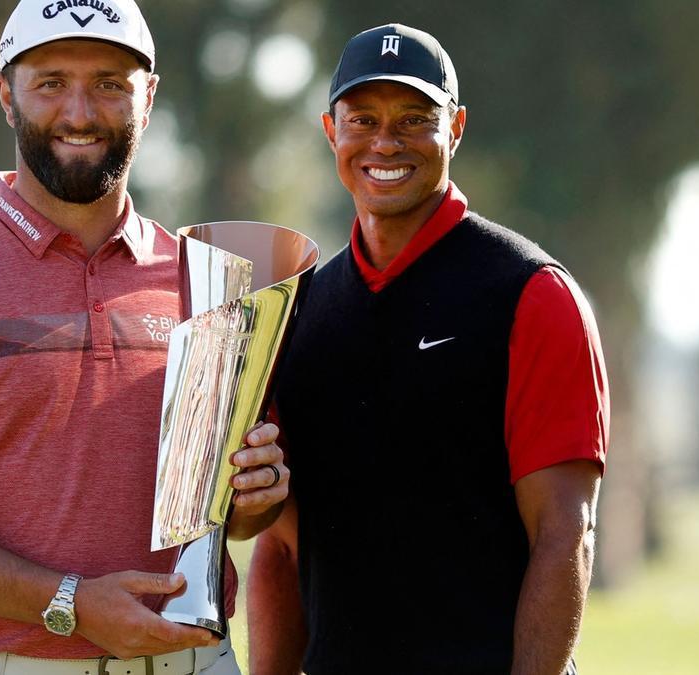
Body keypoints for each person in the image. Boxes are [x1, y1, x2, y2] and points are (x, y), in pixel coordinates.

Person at [0, 2, 288, 673]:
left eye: (109, 83)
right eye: (50, 83)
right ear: (5, 93)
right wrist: (67, 602)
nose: (79, 112)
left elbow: (228, 517)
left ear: (149, 96)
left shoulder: (208, 280)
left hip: (196, 659)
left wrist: (257, 492)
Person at [246, 23, 609, 675]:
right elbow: (279, 546)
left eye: (415, 118)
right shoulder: (298, 310)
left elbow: (565, 534)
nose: (386, 141)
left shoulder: (531, 294)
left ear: (457, 127)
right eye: (363, 118)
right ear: (331, 130)